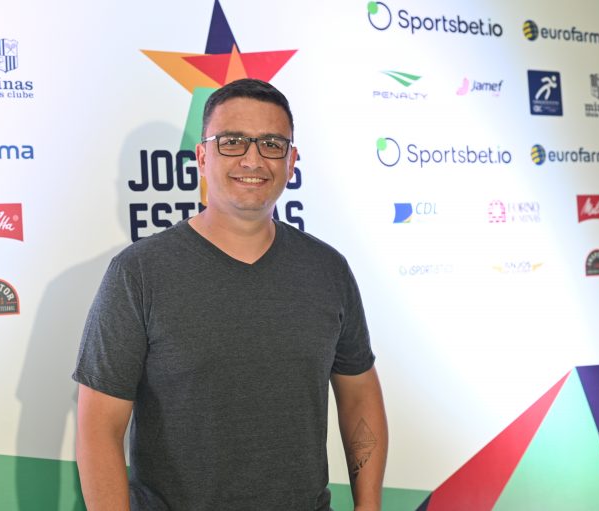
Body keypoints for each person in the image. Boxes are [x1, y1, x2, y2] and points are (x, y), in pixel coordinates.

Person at [73, 78, 387, 511]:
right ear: (203, 157)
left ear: (292, 161)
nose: (253, 159)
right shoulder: (139, 273)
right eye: (232, 142)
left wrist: (368, 507)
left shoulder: (328, 270)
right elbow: (98, 428)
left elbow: (359, 395)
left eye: (272, 144)